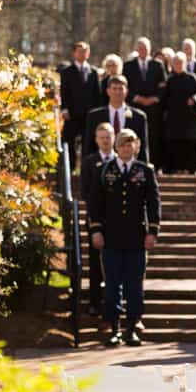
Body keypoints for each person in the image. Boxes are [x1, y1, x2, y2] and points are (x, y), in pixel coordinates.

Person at [88, 130, 161, 347]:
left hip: (135, 237)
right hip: (111, 236)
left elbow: (154, 203)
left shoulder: (144, 171)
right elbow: (95, 203)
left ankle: (132, 327)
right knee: (111, 283)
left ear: (136, 147)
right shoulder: (104, 170)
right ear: (116, 148)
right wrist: (96, 230)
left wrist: (153, 231)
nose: (126, 149)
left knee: (134, 284)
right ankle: (114, 328)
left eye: (130, 145)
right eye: (122, 145)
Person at [80, 122, 117, 315]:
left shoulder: (120, 160)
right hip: (97, 219)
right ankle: (95, 301)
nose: (105, 140)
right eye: (101, 137)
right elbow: (84, 191)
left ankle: (115, 302)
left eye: (108, 136)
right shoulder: (88, 162)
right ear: (96, 139)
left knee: (117, 264)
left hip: (118, 221)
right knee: (95, 263)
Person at [123, 37, 167, 170]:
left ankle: (154, 164)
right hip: (134, 107)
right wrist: (136, 98)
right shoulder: (128, 66)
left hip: (153, 108)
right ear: (137, 49)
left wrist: (155, 98)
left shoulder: (157, 65)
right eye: (140, 48)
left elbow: (163, 86)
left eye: (146, 48)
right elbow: (125, 86)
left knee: (153, 136)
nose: (143, 51)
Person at [84, 75, 149, 161]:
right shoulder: (94, 116)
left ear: (126, 91)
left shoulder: (139, 117)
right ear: (108, 91)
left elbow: (143, 147)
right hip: (101, 166)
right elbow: (88, 145)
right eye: (114, 89)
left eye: (121, 89)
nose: (117, 92)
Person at [161, 52, 196, 174]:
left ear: (185, 64)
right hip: (174, 118)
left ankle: (194, 169)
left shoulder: (192, 78)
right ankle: (174, 169)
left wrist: (195, 99)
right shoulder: (169, 80)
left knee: (191, 144)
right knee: (174, 144)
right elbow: (163, 99)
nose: (178, 65)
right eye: (176, 63)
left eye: (180, 63)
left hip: (190, 118)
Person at [60, 41, 102, 162]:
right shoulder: (67, 71)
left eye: (85, 51)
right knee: (69, 140)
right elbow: (64, 92)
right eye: (80, 51)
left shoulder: (93, 72)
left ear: (88, 53)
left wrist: (97, 111)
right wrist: (64, 109)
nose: (82, 54)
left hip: (89, 113)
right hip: (72, 112)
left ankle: (86, 165)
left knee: (88, 140)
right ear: (74, 53)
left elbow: (97, 94)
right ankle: (71, 165)